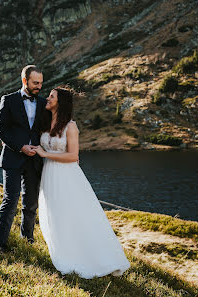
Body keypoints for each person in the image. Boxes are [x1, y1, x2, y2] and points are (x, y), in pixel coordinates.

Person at [33, 86, 131, 279]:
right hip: (49, 174)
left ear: (61, 102)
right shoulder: (45, 121)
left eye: (52, 97)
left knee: (73, 214)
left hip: (67, 175)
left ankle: (88, 257)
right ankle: (62, 250)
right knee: (54, 214)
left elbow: (73, 156)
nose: (47, 99)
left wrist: (45, 153)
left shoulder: (70, 126)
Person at [0, 65, 47, 251]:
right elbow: (1, 130)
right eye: (35, 83)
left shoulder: (43, 103)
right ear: (25, 81)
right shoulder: (8, 100)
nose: (39, 86)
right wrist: (20, 147)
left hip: (35, 161)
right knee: (10, 200)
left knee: (31, 204)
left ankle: (27, 242)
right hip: (13, 158)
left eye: (41, 82)